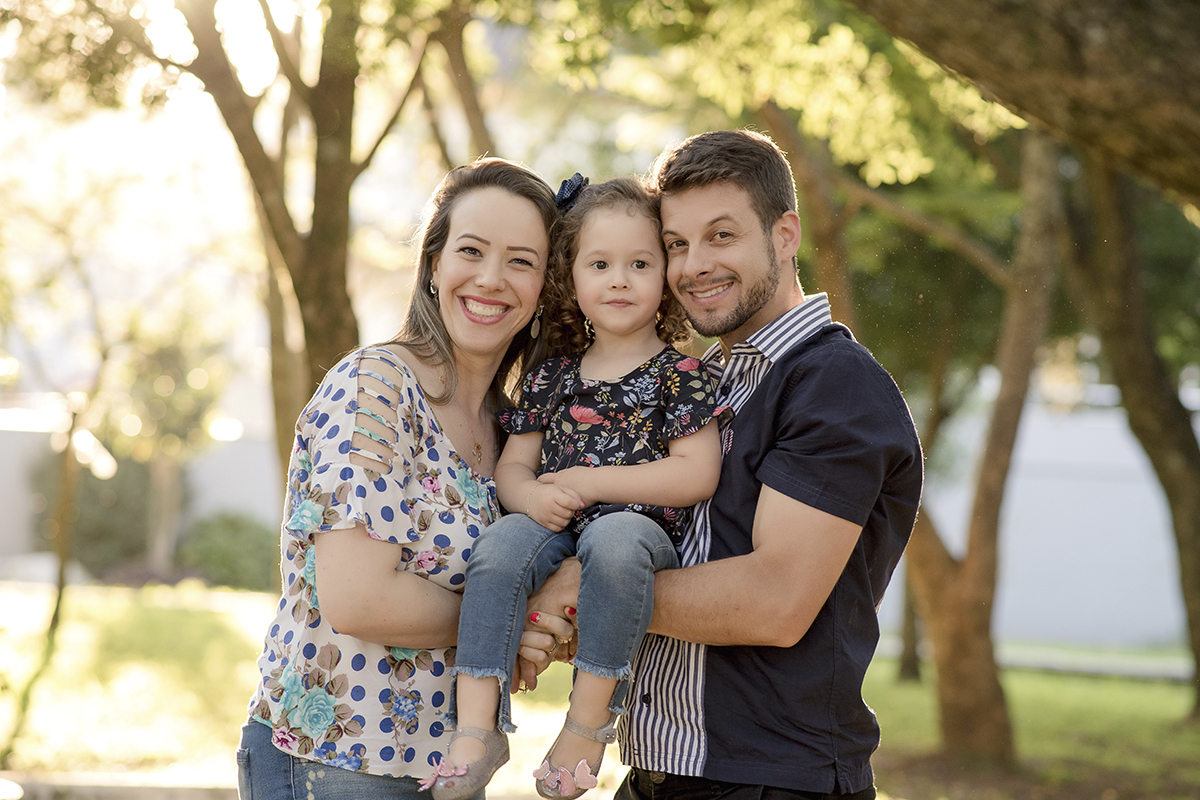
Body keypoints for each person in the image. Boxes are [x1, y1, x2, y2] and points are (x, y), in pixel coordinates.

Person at [528, 130, 924, 800]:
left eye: (721, 235)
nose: (692, 265)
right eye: (676, 244)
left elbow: (775, 602)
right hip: (660, 772)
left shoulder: (832, 383)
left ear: (785, 234)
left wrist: (589, 587)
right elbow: (665, 564)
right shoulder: (698, 387)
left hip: (768, 780)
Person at [236, 158, 576, 800]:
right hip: (336, 762)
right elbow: (360, 598)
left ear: (544, 289)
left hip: (444, 766)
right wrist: (511, 622)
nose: (491, 279)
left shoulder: (514, 432)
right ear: (433, 264)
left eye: (522, 261)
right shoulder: (375, 392)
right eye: (470, 250)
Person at [426, 177, 725, 800]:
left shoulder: (682, 375)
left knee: (615, 536)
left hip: (639, 538)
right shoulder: (552, 375)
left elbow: (695, 473)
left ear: (666, 274)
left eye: (639, 264)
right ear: (571, 277)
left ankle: (587, 726)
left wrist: (591, 482)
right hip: (554, 527)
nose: (619, 279)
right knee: (503, 543)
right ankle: (476, 730)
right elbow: (514, 469)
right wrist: (530, 498)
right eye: (600, 264)